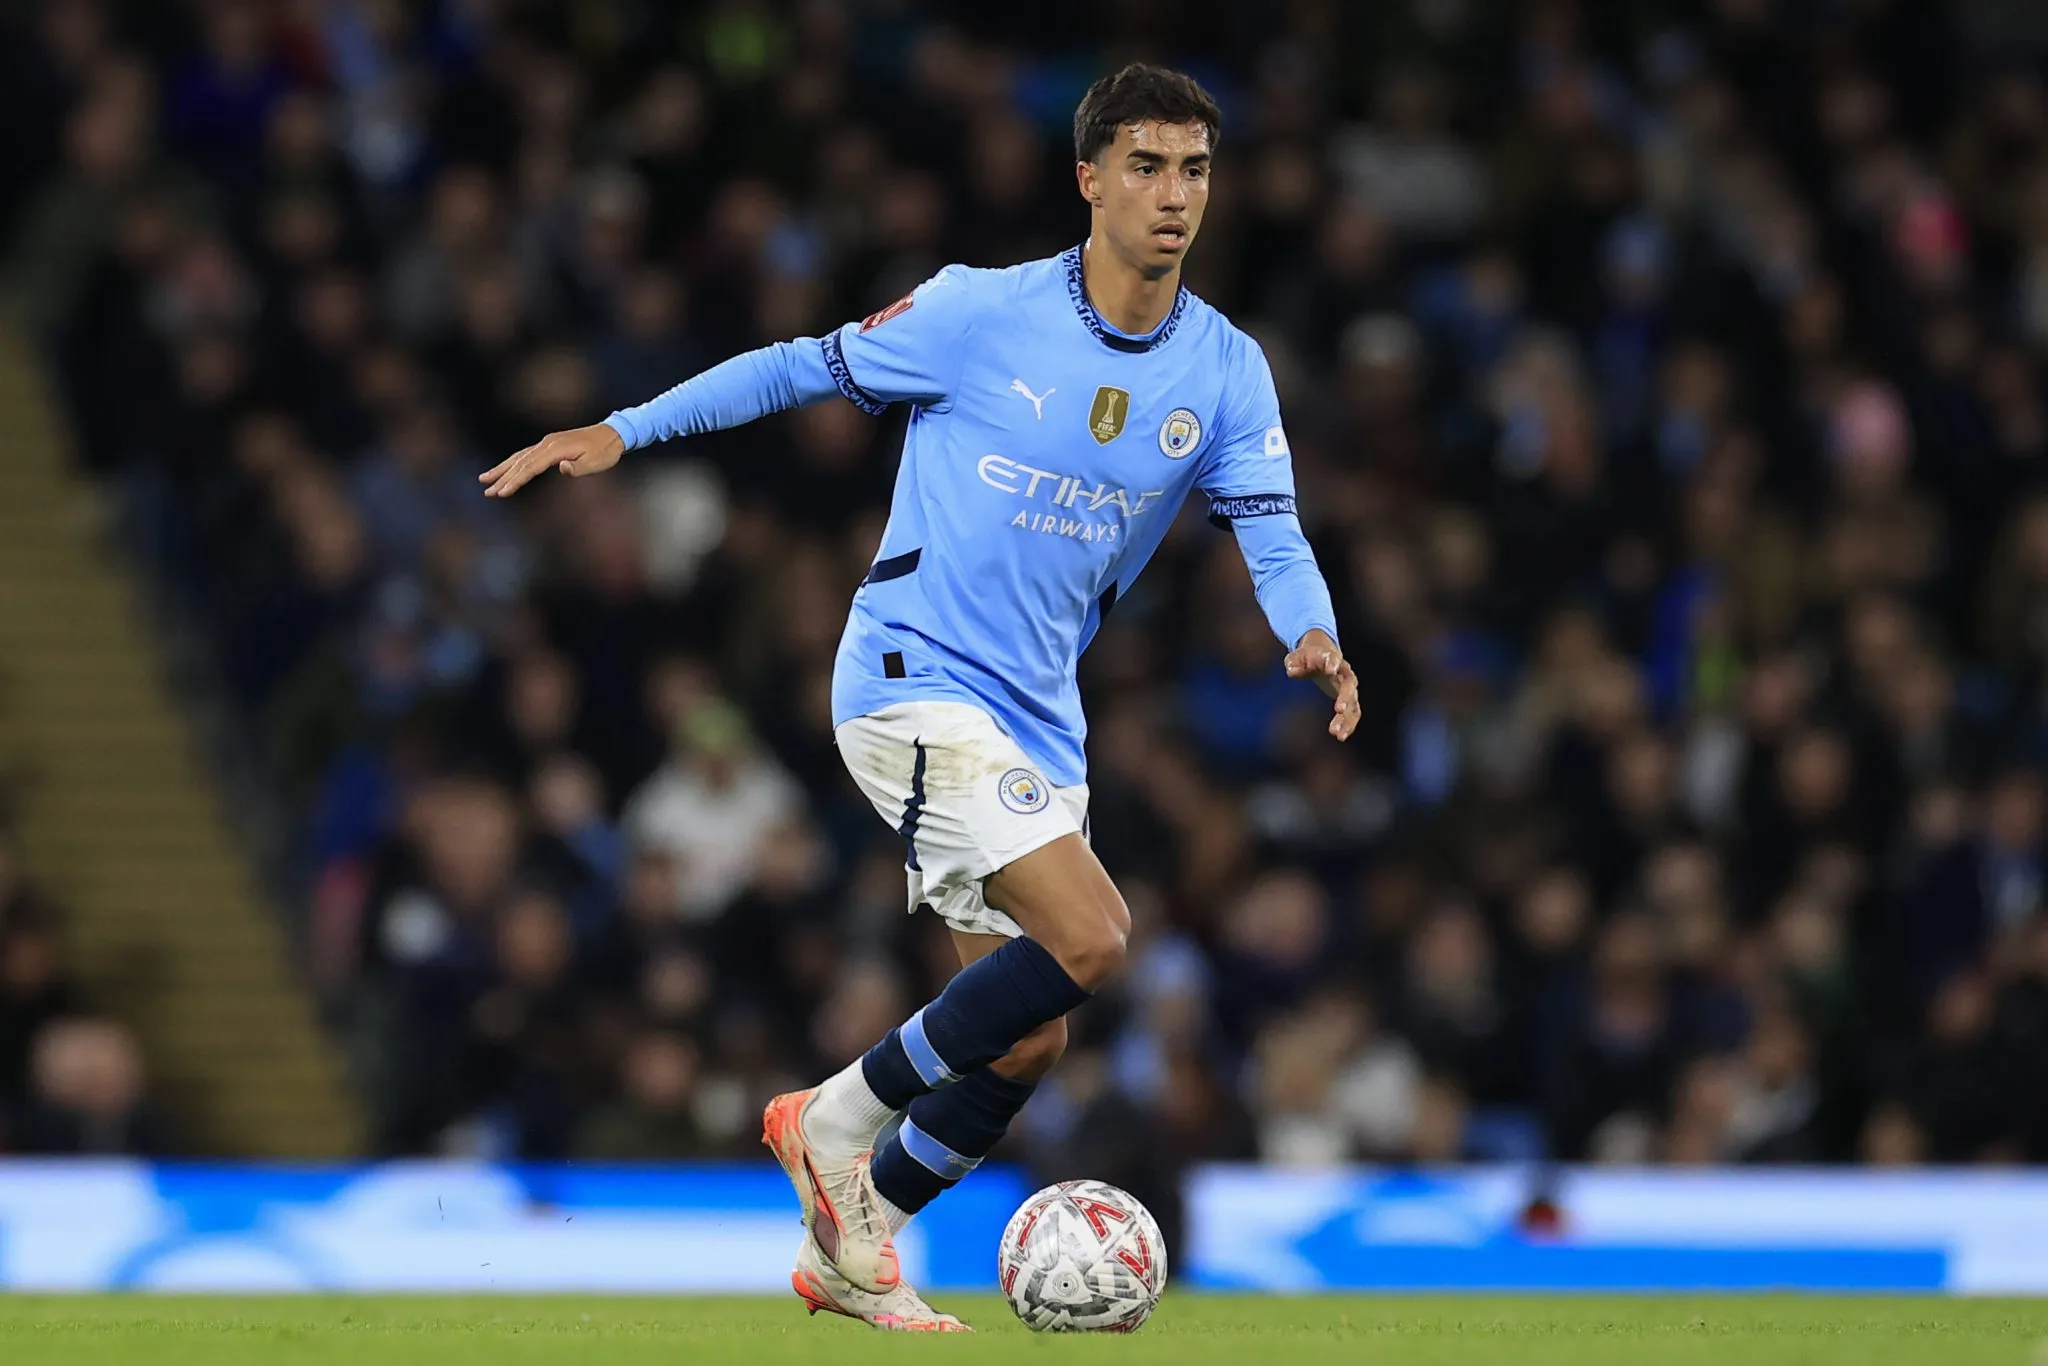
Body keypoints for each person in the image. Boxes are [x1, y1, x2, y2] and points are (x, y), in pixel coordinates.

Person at [480, 64, 1359, 1330]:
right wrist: (620, 432)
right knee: (1095, 936)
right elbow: (797, 367)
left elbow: (1270, 531)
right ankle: (826, 1118)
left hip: (1039, 715)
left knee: (1024, 1039)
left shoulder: (1223, 369)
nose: (1175, 196)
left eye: (1196, 170)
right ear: (1090, 178)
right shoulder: (977, 314)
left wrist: (1313, 631)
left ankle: (857, 1244)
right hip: (910, 675)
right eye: (1149, 166)